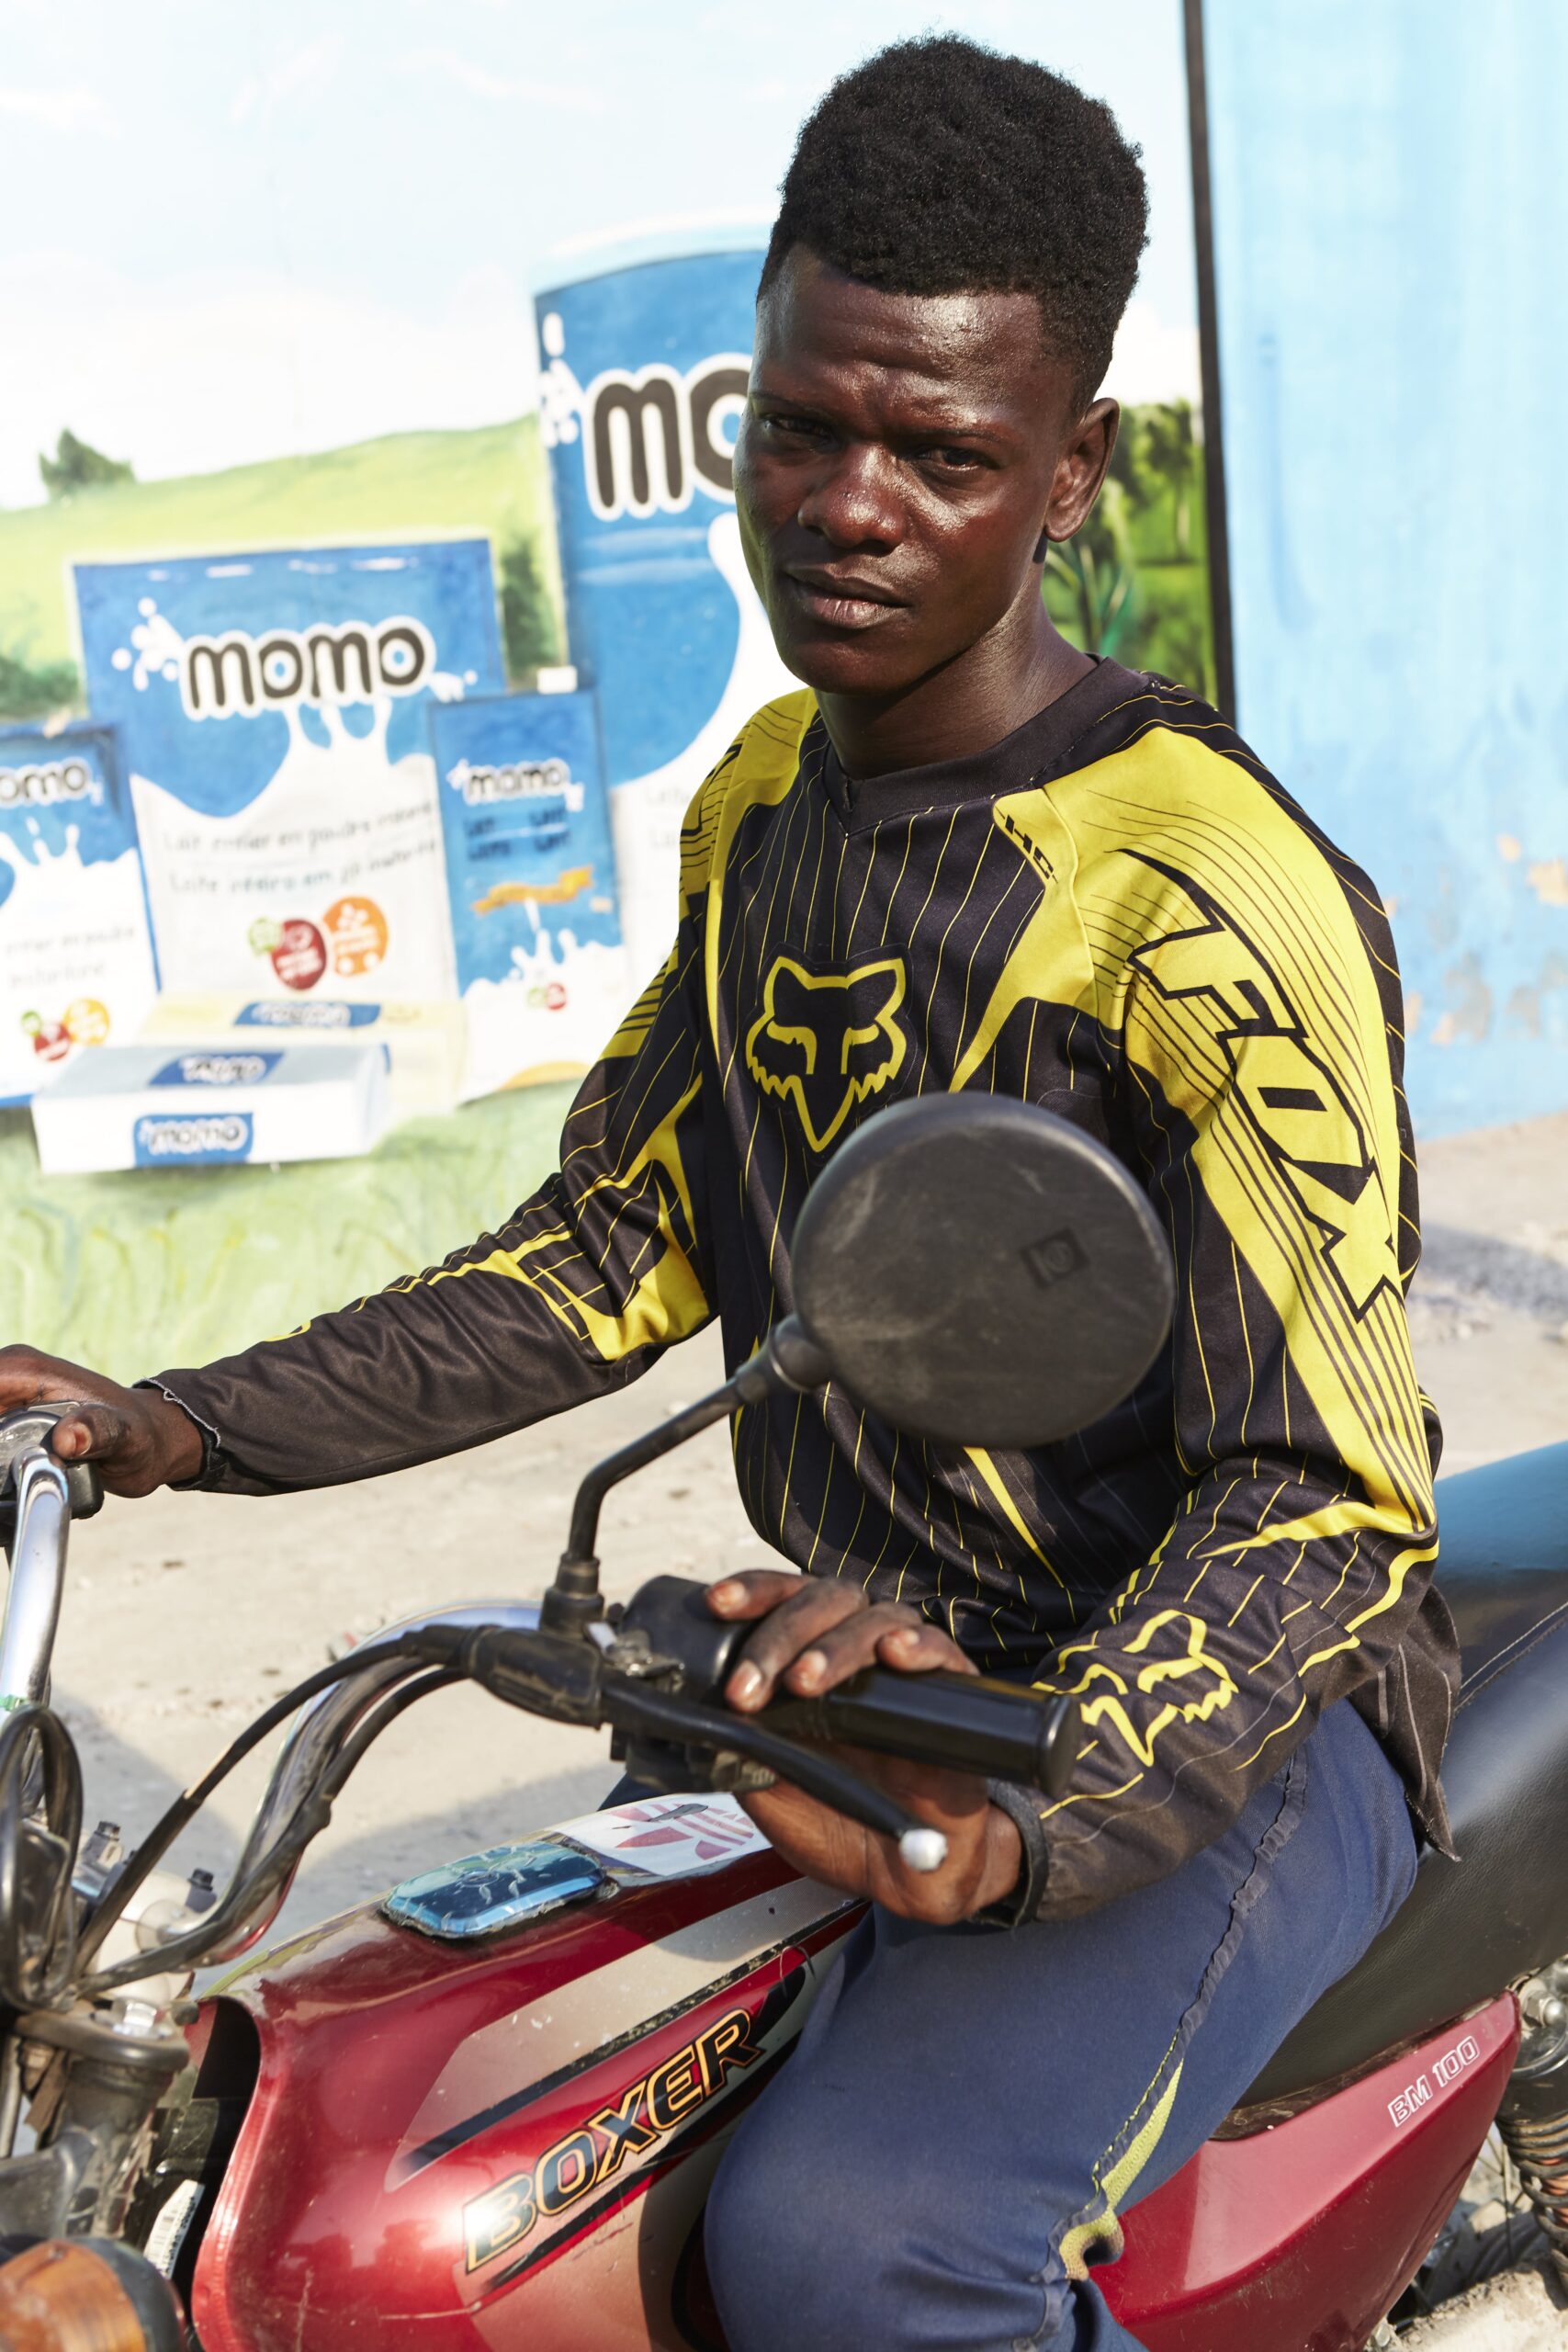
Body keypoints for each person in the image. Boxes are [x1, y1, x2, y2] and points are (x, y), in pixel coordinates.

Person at [0, 37, 1454, 2352]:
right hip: (834, 1677)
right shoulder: (762, 800)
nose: (846, 505)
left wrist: (1043, 1808)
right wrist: (173, 1420)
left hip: (1183, 1722)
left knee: (855, 2252)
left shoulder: (1196, 889)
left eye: (941, 452)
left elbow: (1319, 1496)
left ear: (1070, 466)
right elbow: (610, 1245)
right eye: (802, 425)